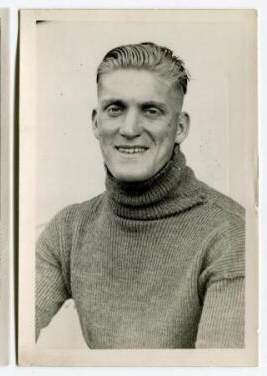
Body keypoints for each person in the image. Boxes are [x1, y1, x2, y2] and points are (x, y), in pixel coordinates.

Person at [35, 42, 245, 349]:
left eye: (151, 110)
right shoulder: (68, 231)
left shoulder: (231, 234)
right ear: (96, 122)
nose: (130, 128)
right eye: (115, 109)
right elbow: (4, 339)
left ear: (181, 127)